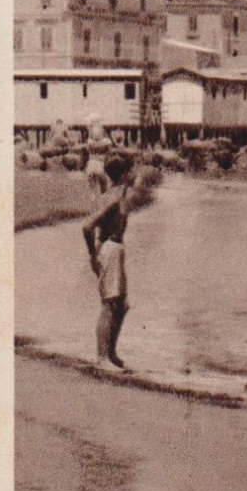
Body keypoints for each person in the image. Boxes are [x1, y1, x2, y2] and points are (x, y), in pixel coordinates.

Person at [80, 153, 136, 370]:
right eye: (130, 171)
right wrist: (92, 256)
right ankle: (102, 358)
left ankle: (110, 353)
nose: (133, 174)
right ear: (123, 173)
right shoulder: (113, 197)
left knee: (122, 305)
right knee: (109, 304)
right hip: (109, 248)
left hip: (113, 249)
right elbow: (87, 226)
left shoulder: (117, 193)